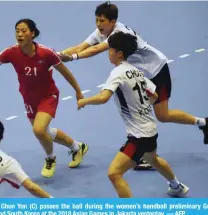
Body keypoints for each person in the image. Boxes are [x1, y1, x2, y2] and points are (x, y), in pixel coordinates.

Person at [59, 1, 208, 170]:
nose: (98, 24)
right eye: (97, 20)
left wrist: (73, 58)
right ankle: (144, 153)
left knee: (162, 115)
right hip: (140, 75)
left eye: (102, 21)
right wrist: (57, 55)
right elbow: (82, 46)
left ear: (113, 22)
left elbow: (94, 50)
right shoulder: (101, 31)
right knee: (140, 112)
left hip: (156, 70)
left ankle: (202, 123)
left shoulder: (119, 33)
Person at [0, 19, 89, 178]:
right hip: (28, 98)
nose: (19, 34)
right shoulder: (11, 52)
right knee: (45, 132)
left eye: (23, 31)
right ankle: (77, 147)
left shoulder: (46, 53)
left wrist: (78, 92)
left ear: (32, 33)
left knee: (38, 130)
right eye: (17, 31)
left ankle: (50, 158)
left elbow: (66, 73)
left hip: (48, 96)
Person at [77, 31, 189, 198]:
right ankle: (176, 186)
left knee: (114, 174)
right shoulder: (136, 71)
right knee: (153, 160)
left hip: (139, 135)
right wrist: (142, 106)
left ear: (119, 53)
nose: (108, 53)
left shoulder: (117, 73)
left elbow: (103, 97)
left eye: (110, 50)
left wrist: (84, 101)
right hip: (151, 129)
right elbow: (155, 95)